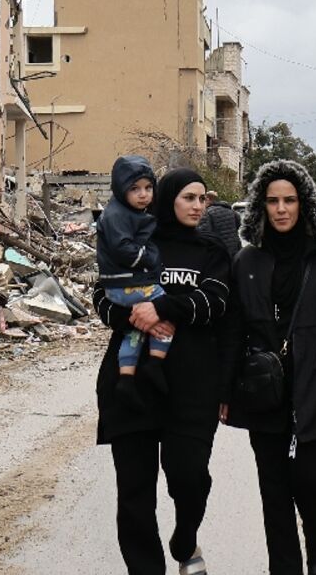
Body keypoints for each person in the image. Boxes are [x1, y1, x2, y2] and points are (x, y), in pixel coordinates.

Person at [223, 159, 316, 575]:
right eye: (272, 201)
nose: (281, 209)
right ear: (260, 207)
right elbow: (232, 330)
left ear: (304, 206)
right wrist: (227, 390)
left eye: (289, 200)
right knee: (274, 491)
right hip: (264, 393)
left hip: (314, 389)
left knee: (313, 481)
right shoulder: (246, 263)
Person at [93, 169, 231, 575]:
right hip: (131, 385)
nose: (197, 206)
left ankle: (185, 538)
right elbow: (103, 295)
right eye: (189, 197)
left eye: (202, 198)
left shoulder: (212, 251)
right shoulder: (139, 244)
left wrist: (164, 308)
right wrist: (135, 317)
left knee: (190, 479)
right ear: (168, 199)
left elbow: (216, 303)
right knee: (134, 493)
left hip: (191, 388)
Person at [96, 156, 169, 403]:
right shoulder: (117, 214)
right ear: (121, 189)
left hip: (120, 285)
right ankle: (156, 363)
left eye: (148, 188)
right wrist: (148, 258)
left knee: (134, 333)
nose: (143, 195)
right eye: (135, 189)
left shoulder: (128, 211)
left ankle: (126, 377)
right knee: (166, 308)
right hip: (126, 283)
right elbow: (122, 248)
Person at [197, 189, 243, 258]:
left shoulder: (207, 213)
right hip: (234, 249)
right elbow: (238, 224)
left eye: (204, 200)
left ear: (208, 199)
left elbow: (204, 233)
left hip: (219, 251)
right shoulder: (230, 211)